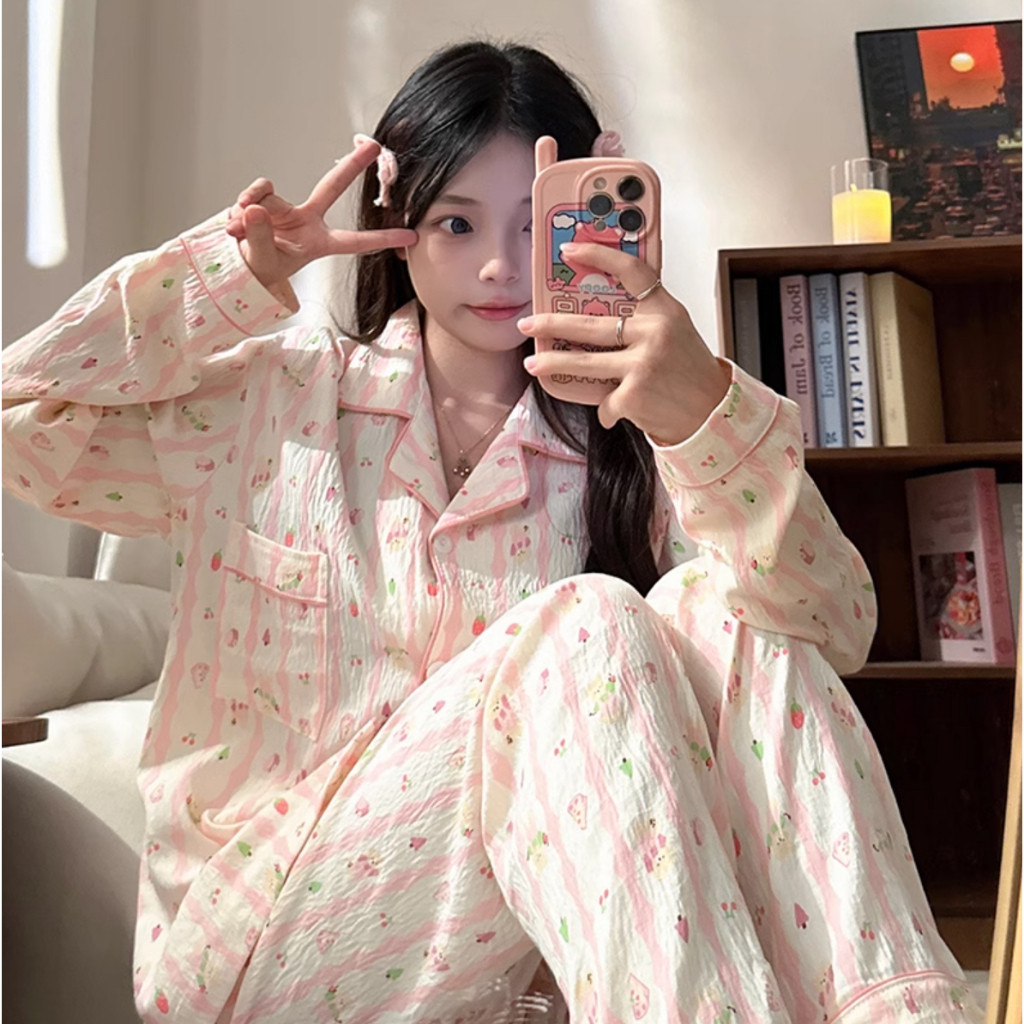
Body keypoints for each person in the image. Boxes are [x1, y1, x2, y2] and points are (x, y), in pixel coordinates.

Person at [2, 38, 981, 1024]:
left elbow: (827, 625)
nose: (500, 265)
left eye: (533, 223)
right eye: (456, 223)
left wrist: (700, 413)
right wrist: (234, 271)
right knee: (591, 619)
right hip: (264, 947)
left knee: (723, 601)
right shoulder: (271, 399)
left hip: (514, 971)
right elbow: (19, 427)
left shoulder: (630, 446)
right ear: (397, 226)